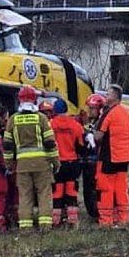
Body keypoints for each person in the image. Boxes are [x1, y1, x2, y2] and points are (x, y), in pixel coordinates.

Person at [2, 86, 60, 230]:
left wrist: (8, 164)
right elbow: (50, 143)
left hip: (22, 166)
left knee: (25, 196)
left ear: (19, 100)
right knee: (44, 194)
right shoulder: (41, 118)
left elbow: (8, 146)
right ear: (34, 99)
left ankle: (25, 228)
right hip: (42, 164)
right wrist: (56, 162)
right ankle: (45, 226)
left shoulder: (12, 120)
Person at [93, 85, 129, 226]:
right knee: (121, 189)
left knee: (105, 189)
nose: (106, 96)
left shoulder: (109, 113)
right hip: (124, 157)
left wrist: (91, 132)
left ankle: (106, 220)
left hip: (109, 156)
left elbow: (98, 136)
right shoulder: (126, 112)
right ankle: (123, 218)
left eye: (108, 94)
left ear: (115, 97)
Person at [48, 98, 85, 228]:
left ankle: (56, 222)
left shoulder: (50, 125)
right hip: (72, 163)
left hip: (56, 164)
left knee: (57, 194)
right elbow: (81, 145)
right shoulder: (75, 125)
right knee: (71, 193)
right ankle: (72, 222)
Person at [80, 93, 107, 221]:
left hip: (97, 161)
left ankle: (98, 212)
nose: (89, 111)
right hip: (87, 161)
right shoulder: (89, 122)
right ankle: (93, 212)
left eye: (92, 108)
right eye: (89, 108)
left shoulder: (102, 123)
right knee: (87, 189)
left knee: (95, 189)